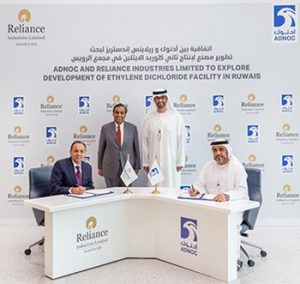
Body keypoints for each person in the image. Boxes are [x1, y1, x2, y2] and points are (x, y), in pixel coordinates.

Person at [188, 139, 248, 271]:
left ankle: (234, 259)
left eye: (221, 149)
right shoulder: (209, 166)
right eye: (215, 150)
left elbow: (242, 191)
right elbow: (200, 184)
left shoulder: (237, 167)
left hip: (233, 208)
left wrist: (227, 196)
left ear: (228, 150)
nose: (218, 153)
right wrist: (196, 190)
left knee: (231, 227)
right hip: (212, 206)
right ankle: (209, 256)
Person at [142, 88, 185, 189]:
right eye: (157, 98)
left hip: (171, 160)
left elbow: (181, 140)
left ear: (166, 99)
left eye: (162, 98)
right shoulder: (148, 119)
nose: (160, 100)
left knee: (171, 184)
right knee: (154, 186)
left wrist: (180, 161)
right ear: (154, 100)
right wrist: (145, 162)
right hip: (154, 159)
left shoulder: (176, 118)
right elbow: (144, 141)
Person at [98, 103, 141, 187]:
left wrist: (137, 167)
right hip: (110, 167)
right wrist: (100, 167)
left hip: (128, 168)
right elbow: (101, 149)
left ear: (125, 114)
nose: (119, 115)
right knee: (112, 195)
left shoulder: (132, 128)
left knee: (126, 194)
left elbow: (136, 149)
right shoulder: (105, 128)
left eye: (122, 113)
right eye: (117, 112)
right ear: (113, 113)